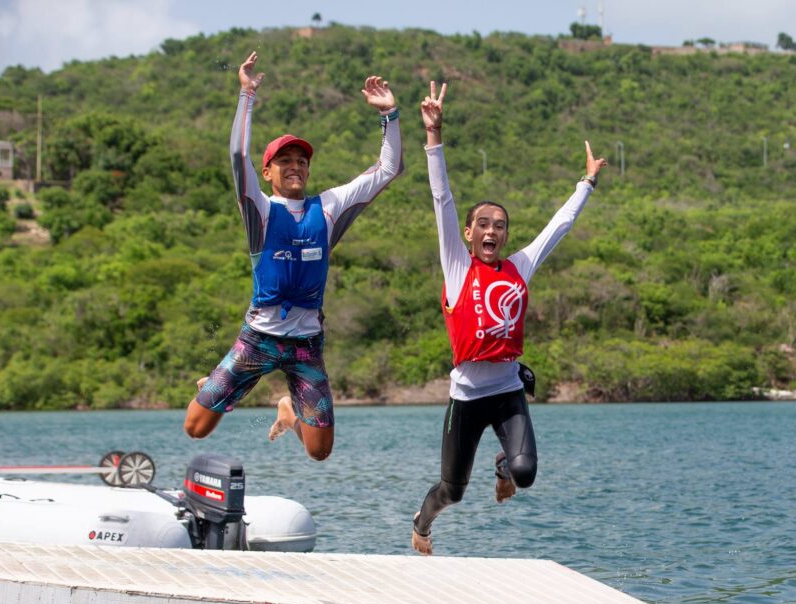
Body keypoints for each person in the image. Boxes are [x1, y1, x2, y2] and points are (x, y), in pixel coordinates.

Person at [411, 82, 607, 555]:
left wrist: (588, 183)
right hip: (465, 394)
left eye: (500, 225)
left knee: (524, 473)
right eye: (484, 223)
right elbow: (442, 199)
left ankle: (502, 469)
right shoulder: (458, 266)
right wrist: (434, 138)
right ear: (469, 233)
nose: (492, 230)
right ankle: (421, 523)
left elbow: (559, 227)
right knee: (452, 491)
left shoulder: (520, 265)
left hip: (506, 390)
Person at [184, 51, 403, 461]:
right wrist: (246, 95)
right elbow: (237, 157)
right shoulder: (261, 211)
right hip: (258, 340)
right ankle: (227, 382)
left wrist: (389, 115)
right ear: (267, 173)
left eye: (301, 161)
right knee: (195, 429)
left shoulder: (331, 207)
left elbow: (388, 170)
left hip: (305, 345)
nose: (295, 166)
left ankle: (287, 408)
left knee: (320, 452)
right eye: (284, 161)